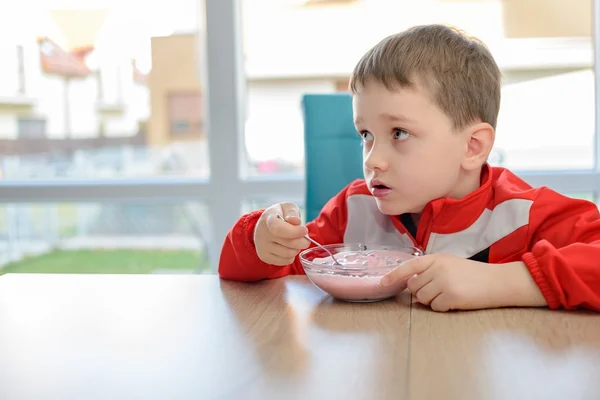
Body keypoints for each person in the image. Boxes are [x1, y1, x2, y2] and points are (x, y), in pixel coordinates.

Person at [218, 24, 600, 312]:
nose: (372, 158)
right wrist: (261, 241)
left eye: (399, 133)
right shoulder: (354, 209)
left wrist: (504, 282)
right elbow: (250, 273)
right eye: (366, 134)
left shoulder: (523, 215)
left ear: (472, 147)